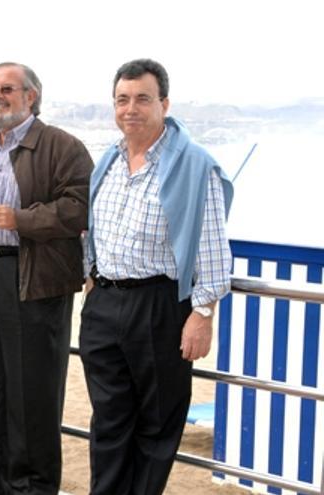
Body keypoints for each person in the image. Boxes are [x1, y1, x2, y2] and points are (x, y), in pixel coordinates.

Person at [81, 58, 233, 495]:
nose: (131, 108)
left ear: (164, 104)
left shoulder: (194, 165)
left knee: (156, 426)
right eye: (122, 99)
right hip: (104, 305)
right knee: (108, 421)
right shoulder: (108, 160)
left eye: (142, 99)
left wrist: (202, 313)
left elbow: (212, 249)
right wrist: (91, 276)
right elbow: (92, 228)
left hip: (159, 307)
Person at [0, 62, 92, 494]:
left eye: (7, 88)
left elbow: (79, 207)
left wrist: (22, 219)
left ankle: (32, 487)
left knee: (32, 392)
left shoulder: (63, 147)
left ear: (31, 95)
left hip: (33, 279)